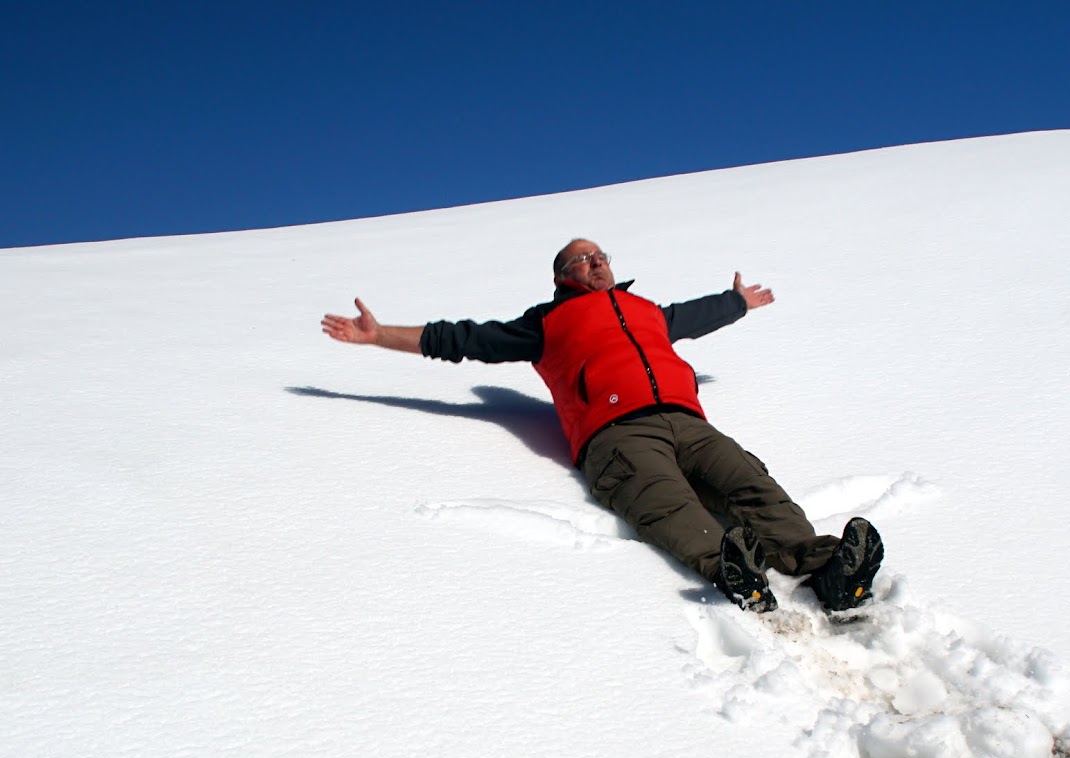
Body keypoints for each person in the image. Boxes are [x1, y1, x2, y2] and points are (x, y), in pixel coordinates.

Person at [321, 238, 883, 612]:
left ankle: (825, 568)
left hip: (689, 422)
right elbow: (463, 339)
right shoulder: (546, 322)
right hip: (616, 436)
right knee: (665, 503)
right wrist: (380, 335)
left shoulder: (648, 312)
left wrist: (735, 302)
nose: (596, 262)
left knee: (753, 486)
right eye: (582, 259)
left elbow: (697, 316)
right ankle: (733, 573)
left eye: (600, 255)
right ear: (563, 277)